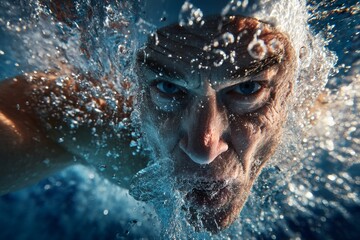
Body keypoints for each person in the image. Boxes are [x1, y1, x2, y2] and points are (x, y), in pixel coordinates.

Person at [0, 11, 296, 234]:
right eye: (169, 88)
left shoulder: (332, 127)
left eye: (247, 89)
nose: (203, 149)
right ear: (136, 87)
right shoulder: (101, 122)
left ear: (290, 89)